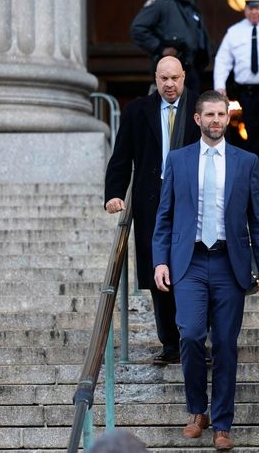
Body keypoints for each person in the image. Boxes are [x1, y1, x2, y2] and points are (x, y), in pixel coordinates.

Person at [151, 90, 259, 451]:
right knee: (189, 334)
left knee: (224, 344)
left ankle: (222, 423)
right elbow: (165, 216)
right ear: (198, 119)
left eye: (221, 114)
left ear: (227, 118)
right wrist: (160, 260)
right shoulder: (177, 160)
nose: (216, 121)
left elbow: (258, 218)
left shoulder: (246, 161)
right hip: (188, 261)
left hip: (228, 262)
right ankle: (195, 411)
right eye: (210, 115)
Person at [105, 56, 200, 366]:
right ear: (156, 79)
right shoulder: (137, 111)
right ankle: (171, 343)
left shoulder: (200, 108)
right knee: (160, 270)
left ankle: (196, 339)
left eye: (174, 78)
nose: (169, 84)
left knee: (194, 268)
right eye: (163, 79)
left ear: (184, 77)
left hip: (192, 200)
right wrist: (114, 194)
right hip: (151, 201)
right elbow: (122, 157)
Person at [214, 0, 259, 180]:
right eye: (250, 8)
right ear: (245, 9)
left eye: (258, 7)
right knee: (252, 133)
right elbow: (223, 60)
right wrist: (220, 87)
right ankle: (256, 176)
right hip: (247, 92)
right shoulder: (234, 31)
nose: (254, 12)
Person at [130, 0, 211, 93]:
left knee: (191, 106)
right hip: (169, 69)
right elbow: (138, 29)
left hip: (191, 68)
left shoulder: (190, 5)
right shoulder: (161, 2)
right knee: (168, 107)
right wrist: (160, 48)